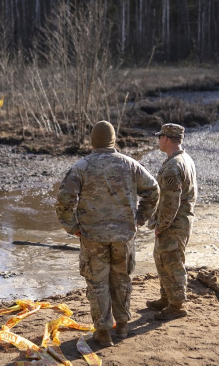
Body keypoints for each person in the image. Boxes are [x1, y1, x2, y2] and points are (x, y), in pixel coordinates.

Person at [55, 120, 159, 347]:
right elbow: (153, 190)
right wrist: (141, 218)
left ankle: (103, 331)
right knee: (122, 279)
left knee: (97, 282)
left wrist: (72, 227)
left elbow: (64, 201)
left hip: (93, 236)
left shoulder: (81, 167)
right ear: (113, 140)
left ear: (93, 141)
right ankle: (122, 325)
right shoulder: (131, 164)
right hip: (124, 235)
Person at [146, 123, 197, 320]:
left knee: (172, 261)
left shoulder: (173, 166)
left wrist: (161, 225)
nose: (158, 139)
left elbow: (170, 202)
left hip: (174, 223)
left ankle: (177, 305)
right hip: (180, 220)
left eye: (160, 136)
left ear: (166, 139)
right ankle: (166, 298)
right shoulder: (184, 159)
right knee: (162, 259)